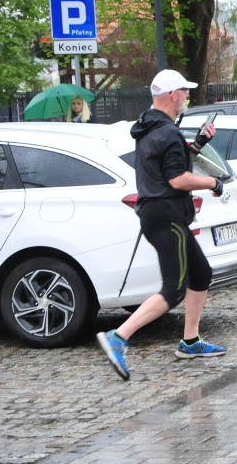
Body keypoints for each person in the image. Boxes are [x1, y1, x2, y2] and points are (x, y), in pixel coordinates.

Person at [97, 69, 227, 381]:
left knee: (201, 275)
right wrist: (212, 181)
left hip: (161, 214)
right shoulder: (166, 131)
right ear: (172, 95)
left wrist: (197, 144)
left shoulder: (150, 127)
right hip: (165, 215)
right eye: (184, 91)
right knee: (173, 290)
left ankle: (191, 342)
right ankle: (117, 337)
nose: (186, 96)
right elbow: (177, 178)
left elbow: (172, 163)